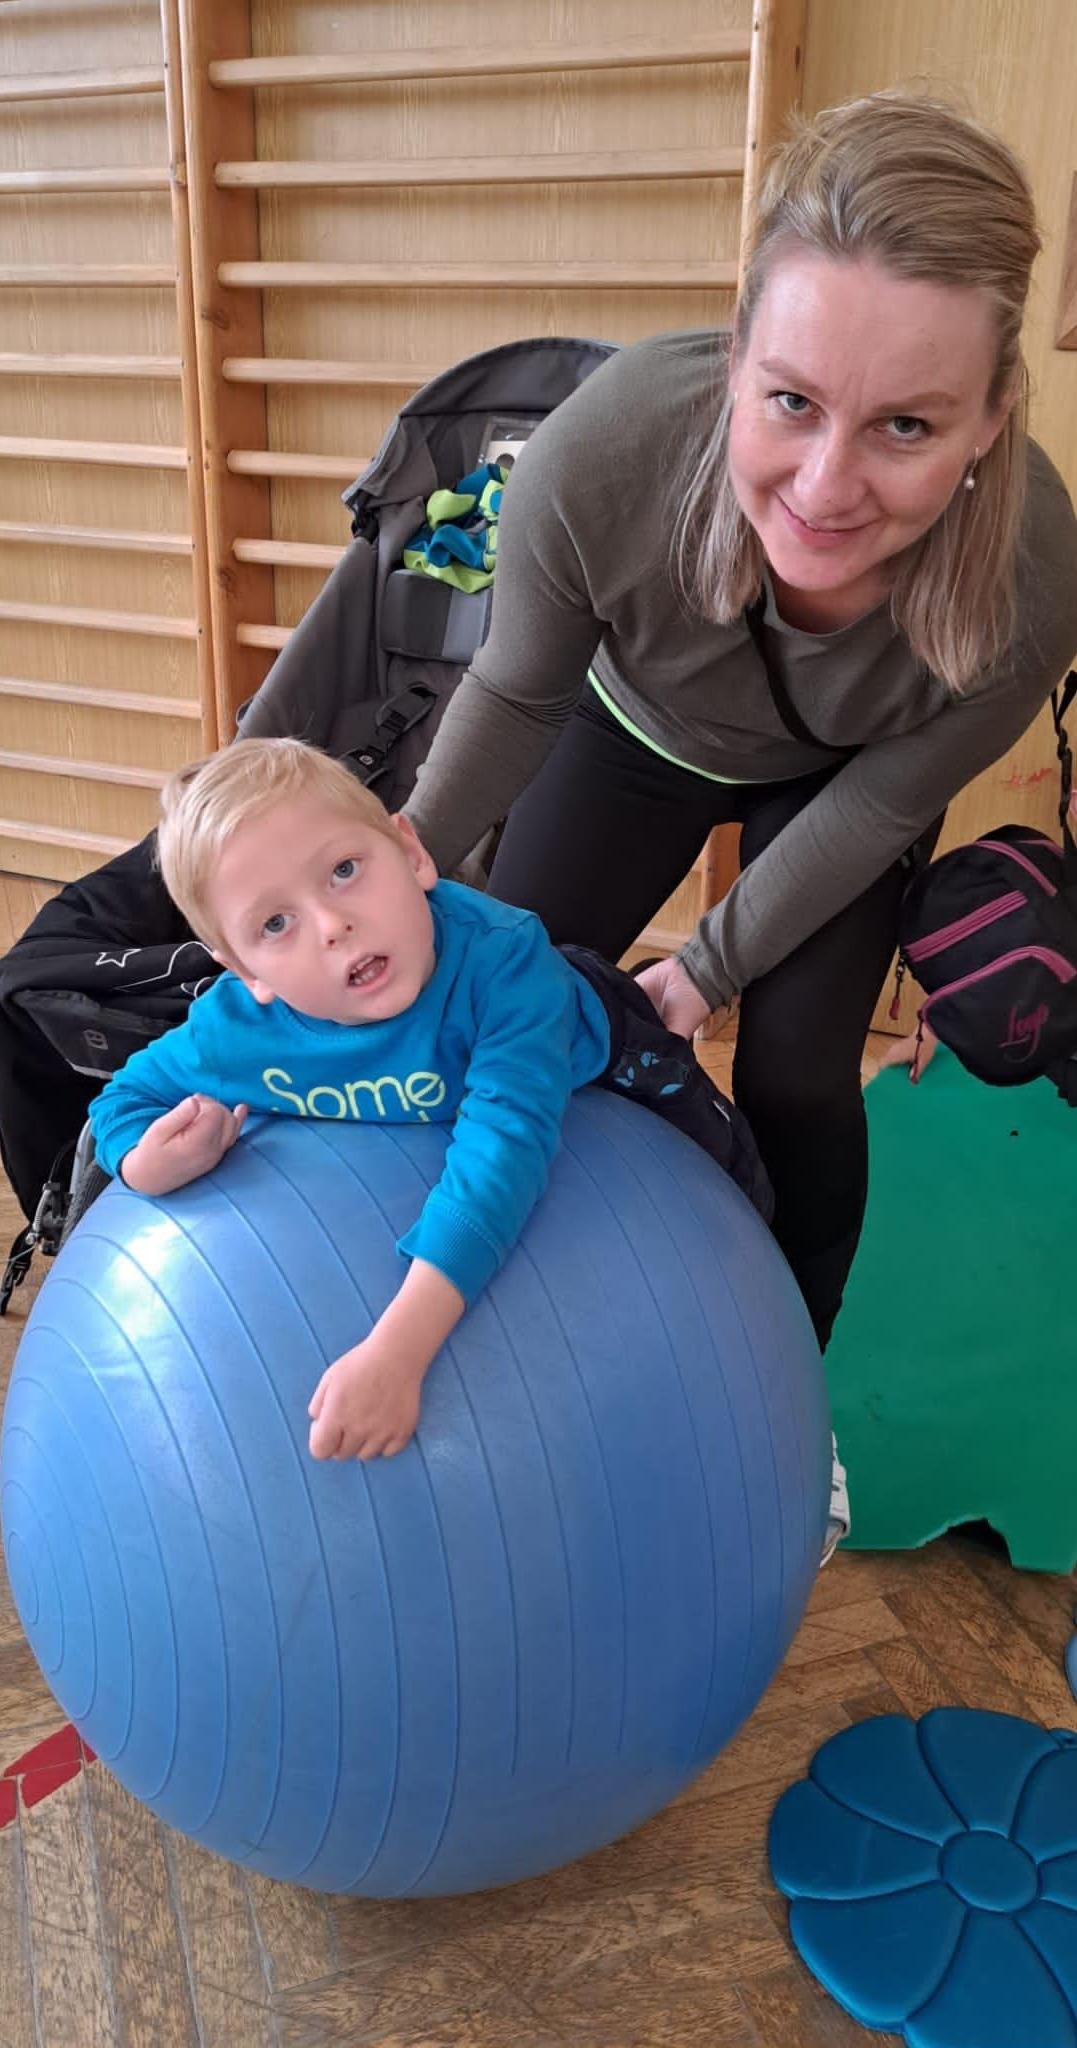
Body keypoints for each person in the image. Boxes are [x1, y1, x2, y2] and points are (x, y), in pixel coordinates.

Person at [401, 92, 1077, 1353]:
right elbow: (517, 689)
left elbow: (880, 801)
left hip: (843, 779)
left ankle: (785, 1367)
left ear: (989, 417)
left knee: (797, 1078)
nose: (824, 487)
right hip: (633, 729)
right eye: (790, 401)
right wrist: (395, 867)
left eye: (906, 425)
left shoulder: (1030, 578)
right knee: (502, 1006)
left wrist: (706, 966)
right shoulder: (601, 456)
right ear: (734, 359)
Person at [88, 738, 771, 1463]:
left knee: (733, 1178)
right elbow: (122, 1098)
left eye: (344, 870)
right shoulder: (238, 1031)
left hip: (596, 1052)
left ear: (411, 854)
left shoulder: (508, 966)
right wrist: (142, 1162)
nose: (331, 925)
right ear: (243, 969)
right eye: (275, 924)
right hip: (435, 1099)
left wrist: (398, 1353)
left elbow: (501, 1154)